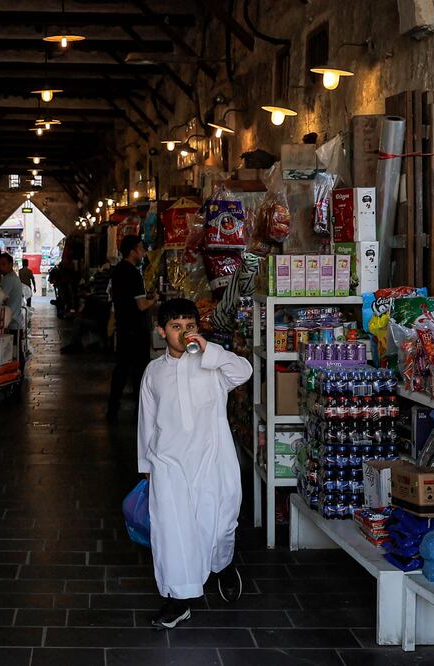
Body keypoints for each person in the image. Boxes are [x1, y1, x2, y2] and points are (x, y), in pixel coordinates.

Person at [137, 298, 252, 629]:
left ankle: (223, 564)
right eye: (176, 327)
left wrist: (210, 350)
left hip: (213, 462)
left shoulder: (213, 365)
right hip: (168, 465)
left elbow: (243, 371)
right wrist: (146, 464)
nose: (183, 333)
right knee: (171, 533)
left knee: (220, 526)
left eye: (190, 327)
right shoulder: (154, 372)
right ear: (162, 332)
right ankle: (177, 600)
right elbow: (147, 419)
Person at [107, 235, 157, 420]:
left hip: (123, 326)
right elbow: (141, 305)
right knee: (139, 371)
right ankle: (140, 412)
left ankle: (113, 409)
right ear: (132, 251)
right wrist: (154, 299)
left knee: (121, 369)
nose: (143, 252)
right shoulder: (134, 273)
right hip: (136, 330)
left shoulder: (118, 270)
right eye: (140, 248)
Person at [0, 253, 25, 331]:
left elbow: (0, 298)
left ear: (10, 265)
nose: (0, 267)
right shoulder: (10, 277)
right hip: (14, 321)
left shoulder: (9, 279)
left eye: (3, 264)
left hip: (11, 323)